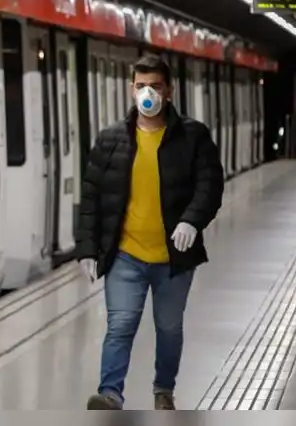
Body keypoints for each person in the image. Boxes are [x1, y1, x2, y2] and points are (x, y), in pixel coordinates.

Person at [76, 54, 224, 410]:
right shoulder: (111, 140)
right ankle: (110, 395)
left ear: (169, 91)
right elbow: (92, 197)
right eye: (141, 86)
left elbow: (210, 186)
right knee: (120, 325)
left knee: (169, 328)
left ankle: (163, 391)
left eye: (155, 87)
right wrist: (86, 248)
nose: (148, 93)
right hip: (125, 255)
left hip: (173, 259)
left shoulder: (193, 136)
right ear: (131, 89)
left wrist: (191, 219)